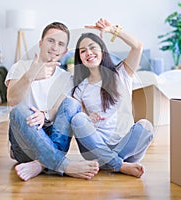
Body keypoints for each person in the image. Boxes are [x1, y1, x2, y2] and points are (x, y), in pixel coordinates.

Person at [5, 22, 99, 181]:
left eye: (60, 44)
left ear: (64, 51)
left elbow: (58, 109)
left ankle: (41, 164)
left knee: (72, 104)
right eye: (51, 41)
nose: (55, 47)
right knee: (18, 111)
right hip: (24, 142)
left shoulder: (65, 78)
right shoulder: (20, 67)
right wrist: (32, 75)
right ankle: (65, 165)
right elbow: (12, 99)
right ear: (41, 43)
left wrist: (44, 115)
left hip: (52, 138)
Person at [71, 18, 154, 178]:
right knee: (78, 120)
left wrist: (112, 30)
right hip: (95, 146)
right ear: (80, 58)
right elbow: (76, 117)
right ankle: (120, 165)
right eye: (82, 51)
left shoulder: (121, 74)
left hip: (125, 144)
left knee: (146, 126)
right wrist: (89, 117)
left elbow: (138, 46)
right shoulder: (81, 87)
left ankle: (109, 162)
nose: (88, 53)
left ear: (102, 50)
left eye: (92, 47)